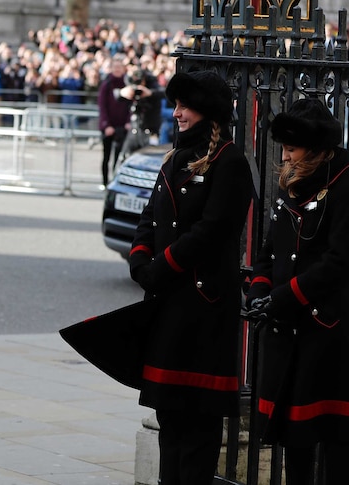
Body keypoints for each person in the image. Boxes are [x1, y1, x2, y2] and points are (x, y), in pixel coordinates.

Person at [128, 70, 252, 485]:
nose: (176, 113)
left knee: (198, 420)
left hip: (203, 309)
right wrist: (140, 261)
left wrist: (162, 268)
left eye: (184, 105)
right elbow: (150, 217)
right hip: (168, 306)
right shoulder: (176, 156)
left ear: (208, 110)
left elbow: (213, 229)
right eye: (176, 104)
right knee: (170, 416)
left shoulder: (230, 162)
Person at [245, 98, 349, 485]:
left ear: (316, 147)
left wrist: (284, 296)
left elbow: (339, 260)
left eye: (292, 148)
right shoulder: (292, 184)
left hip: (326, 333)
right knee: (294, 441)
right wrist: (259, 290)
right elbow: (269, 250)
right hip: (285, 330)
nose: (285, 155)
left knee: (337, 443)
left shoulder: (346, 186)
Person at [97, 55, 132, 187]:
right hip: (108, 127)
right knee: (106, 156)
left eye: (119, 67)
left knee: (120, 156)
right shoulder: (106, 85)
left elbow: (130, 106)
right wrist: (106, 125)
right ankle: (105, 182)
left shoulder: (127, 85)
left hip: (122, 127)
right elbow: (102, 106)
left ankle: (116, 181)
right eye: (115, 67)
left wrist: (128, 122)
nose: (117, 69)